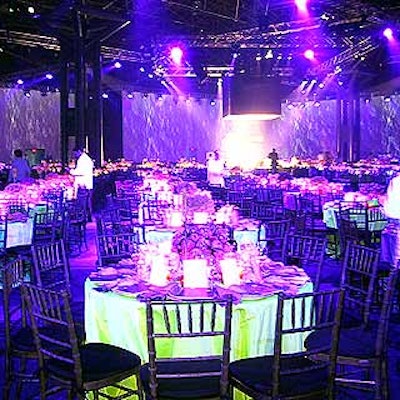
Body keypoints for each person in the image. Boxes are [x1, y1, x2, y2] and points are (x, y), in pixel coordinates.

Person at [70, 147, 94, 220]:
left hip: (84, 184)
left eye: (75, 153)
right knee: (87, 202)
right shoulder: (85, 159)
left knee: (83, 203)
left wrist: (71, 171)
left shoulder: (83, 160)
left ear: (79, 151)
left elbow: (81, 172)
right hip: (86, 183)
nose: (74, 155)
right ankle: (87, 217)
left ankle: (83, 218)